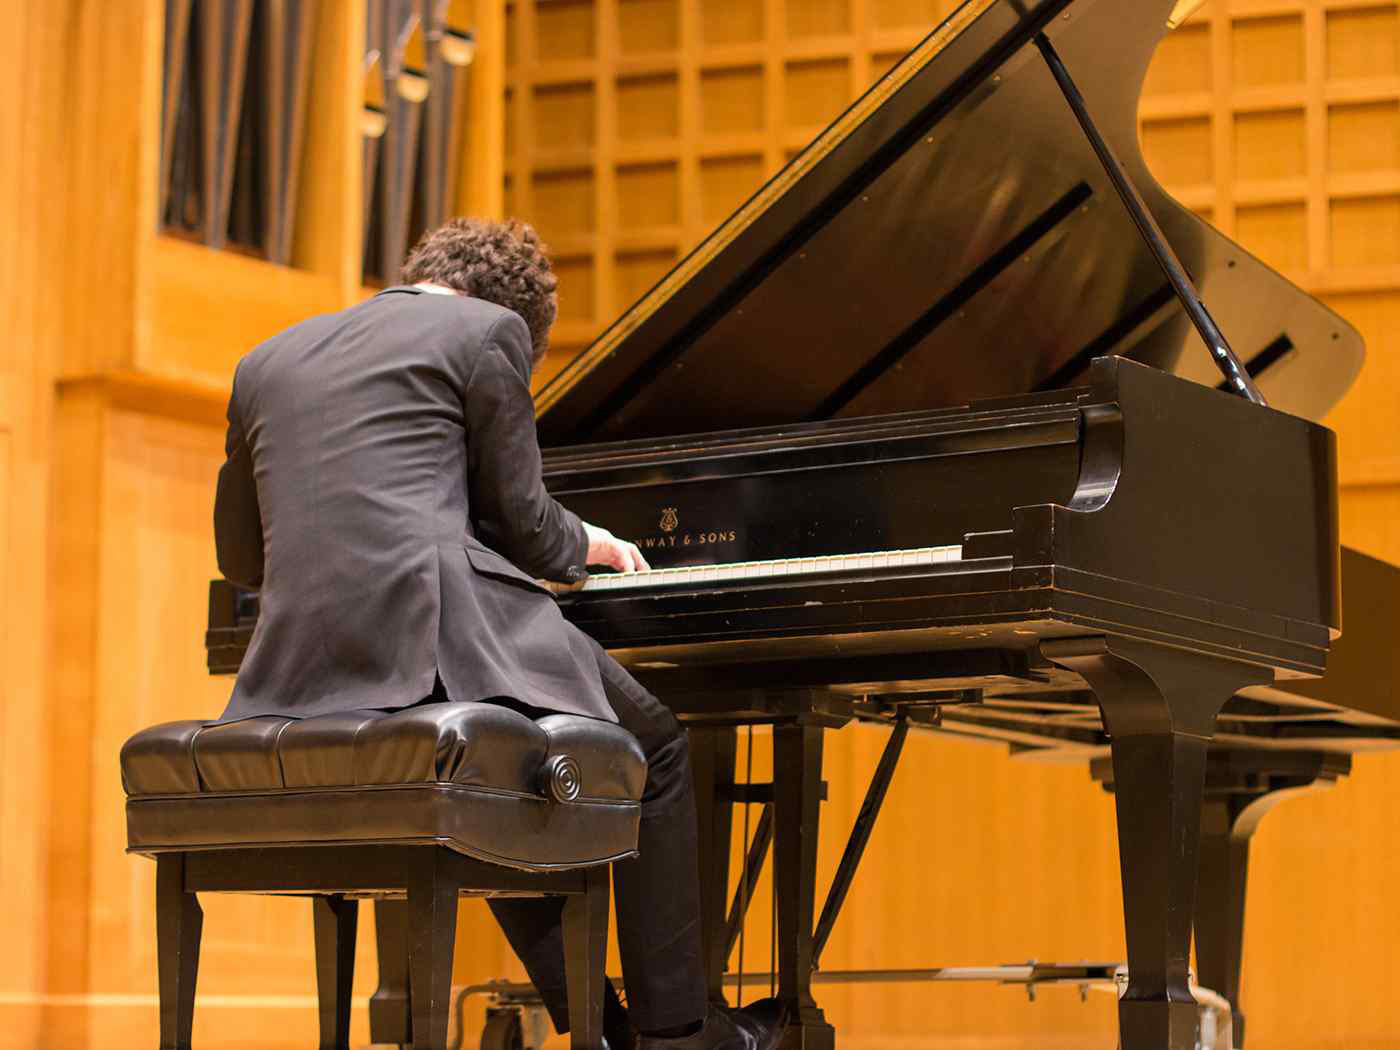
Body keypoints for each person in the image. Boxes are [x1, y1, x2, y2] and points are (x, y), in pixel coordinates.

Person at [212, 217, 784, 1050]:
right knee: (654, 745)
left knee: (498, 775)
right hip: (435, 631)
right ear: (517, 316)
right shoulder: (488, 332)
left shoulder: (265, 361)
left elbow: (243, 561)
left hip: (299, 671)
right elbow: (526, 527)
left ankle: (601, 1024)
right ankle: (676, 1033)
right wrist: (587, 540)